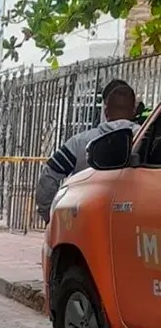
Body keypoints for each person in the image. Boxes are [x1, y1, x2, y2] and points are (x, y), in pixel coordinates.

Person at [36, 84, 140, 224]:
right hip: (133, 223)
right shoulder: (148, 141)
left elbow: (49, 175)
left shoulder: (80, 142)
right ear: (134, 111)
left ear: (105, 111)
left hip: (83, 223)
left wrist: (50, 214)